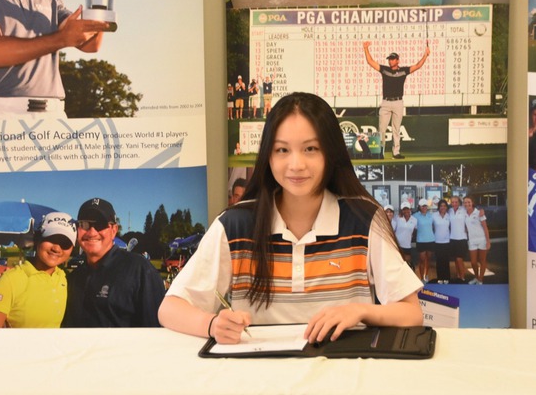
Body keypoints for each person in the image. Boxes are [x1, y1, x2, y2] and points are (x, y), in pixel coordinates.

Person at [158, 92, 423, 345]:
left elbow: (412, 313)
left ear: (330, 153)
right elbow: (170, 308)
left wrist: (360, 312)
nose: (296, 164)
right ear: (268, 156)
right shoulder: (235, 225)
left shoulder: (363, 220)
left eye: (310, 149)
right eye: (282, 150)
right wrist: (213, 324)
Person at [63, 198, 165, 327]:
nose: (92, 232)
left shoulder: (140, 270)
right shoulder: (73, 278)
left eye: (100, 224)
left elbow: (155, 331)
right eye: (84, 224)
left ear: (114, 230)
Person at [0, 212, 76, 327]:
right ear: (37, 239)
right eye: (51, 238)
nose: (56, 248)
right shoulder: (10, 280)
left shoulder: (65, 278)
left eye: (65, 243)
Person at [363, 41, 430, 159]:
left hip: (398, 102)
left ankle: (396, 152)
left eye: (393, 59)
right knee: (382, 129)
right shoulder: (385, 70)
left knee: (396, 129)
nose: (390, 61)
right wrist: (366, 48)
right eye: (389, 59)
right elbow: (370, 62)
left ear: (398, 60)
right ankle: (380, 152)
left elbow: (418, 65)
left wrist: (425, 55)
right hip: (386, 102)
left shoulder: (403, 71)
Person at [463, 197, 490, 285]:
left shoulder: (479, 213)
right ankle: (476, 277)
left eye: (469, 202)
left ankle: (480, 280)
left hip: (482, 240)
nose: (467, 204)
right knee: (473, 262)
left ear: (472, 202)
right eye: (465, 202)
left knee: (482, 261)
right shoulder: (464, 214)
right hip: (472, 241)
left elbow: (485, 228)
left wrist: (488, 241)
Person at [413, 199, 435, 284]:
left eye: (425, 206)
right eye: (422, 206)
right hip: (421, 241)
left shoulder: (431, 215)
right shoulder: (415, 216)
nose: (424, 207)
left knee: (428, 259)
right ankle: (422, 278)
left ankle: (426, 275)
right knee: (421, 260)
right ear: (419, 207)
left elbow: (433, 226)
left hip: (431, 240)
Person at [448, 196, 468, 282]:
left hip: (462, 238)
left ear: (459, 202)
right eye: (452, 202)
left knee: (459, 259)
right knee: (456, 259)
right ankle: (458, 275)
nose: (454, 204)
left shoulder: (464, 210)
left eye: (456, 202)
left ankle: (462, 278)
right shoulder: (450, 211)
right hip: (452, 238)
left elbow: (473, 211)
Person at [394, 202, 418, 272]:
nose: (406, 211)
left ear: (410, 209)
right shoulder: (397, 218)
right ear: (402, 210)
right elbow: (393, 230)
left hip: (407, 245)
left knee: (407, 264)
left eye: (407, 209)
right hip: (398, 245)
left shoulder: (414, 220)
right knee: (398, 263)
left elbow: (414, 230)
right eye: (404, 209)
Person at [432, 199, 451, 283]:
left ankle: (446, 278)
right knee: (439, 261)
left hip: (447, 242)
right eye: (441, 206)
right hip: (437, 242)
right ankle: (440, 278)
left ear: (446, 207)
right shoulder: (434, 215)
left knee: (446, 261)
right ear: (438, 207)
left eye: (444, 206)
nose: (443, 207)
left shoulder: (449, 216)